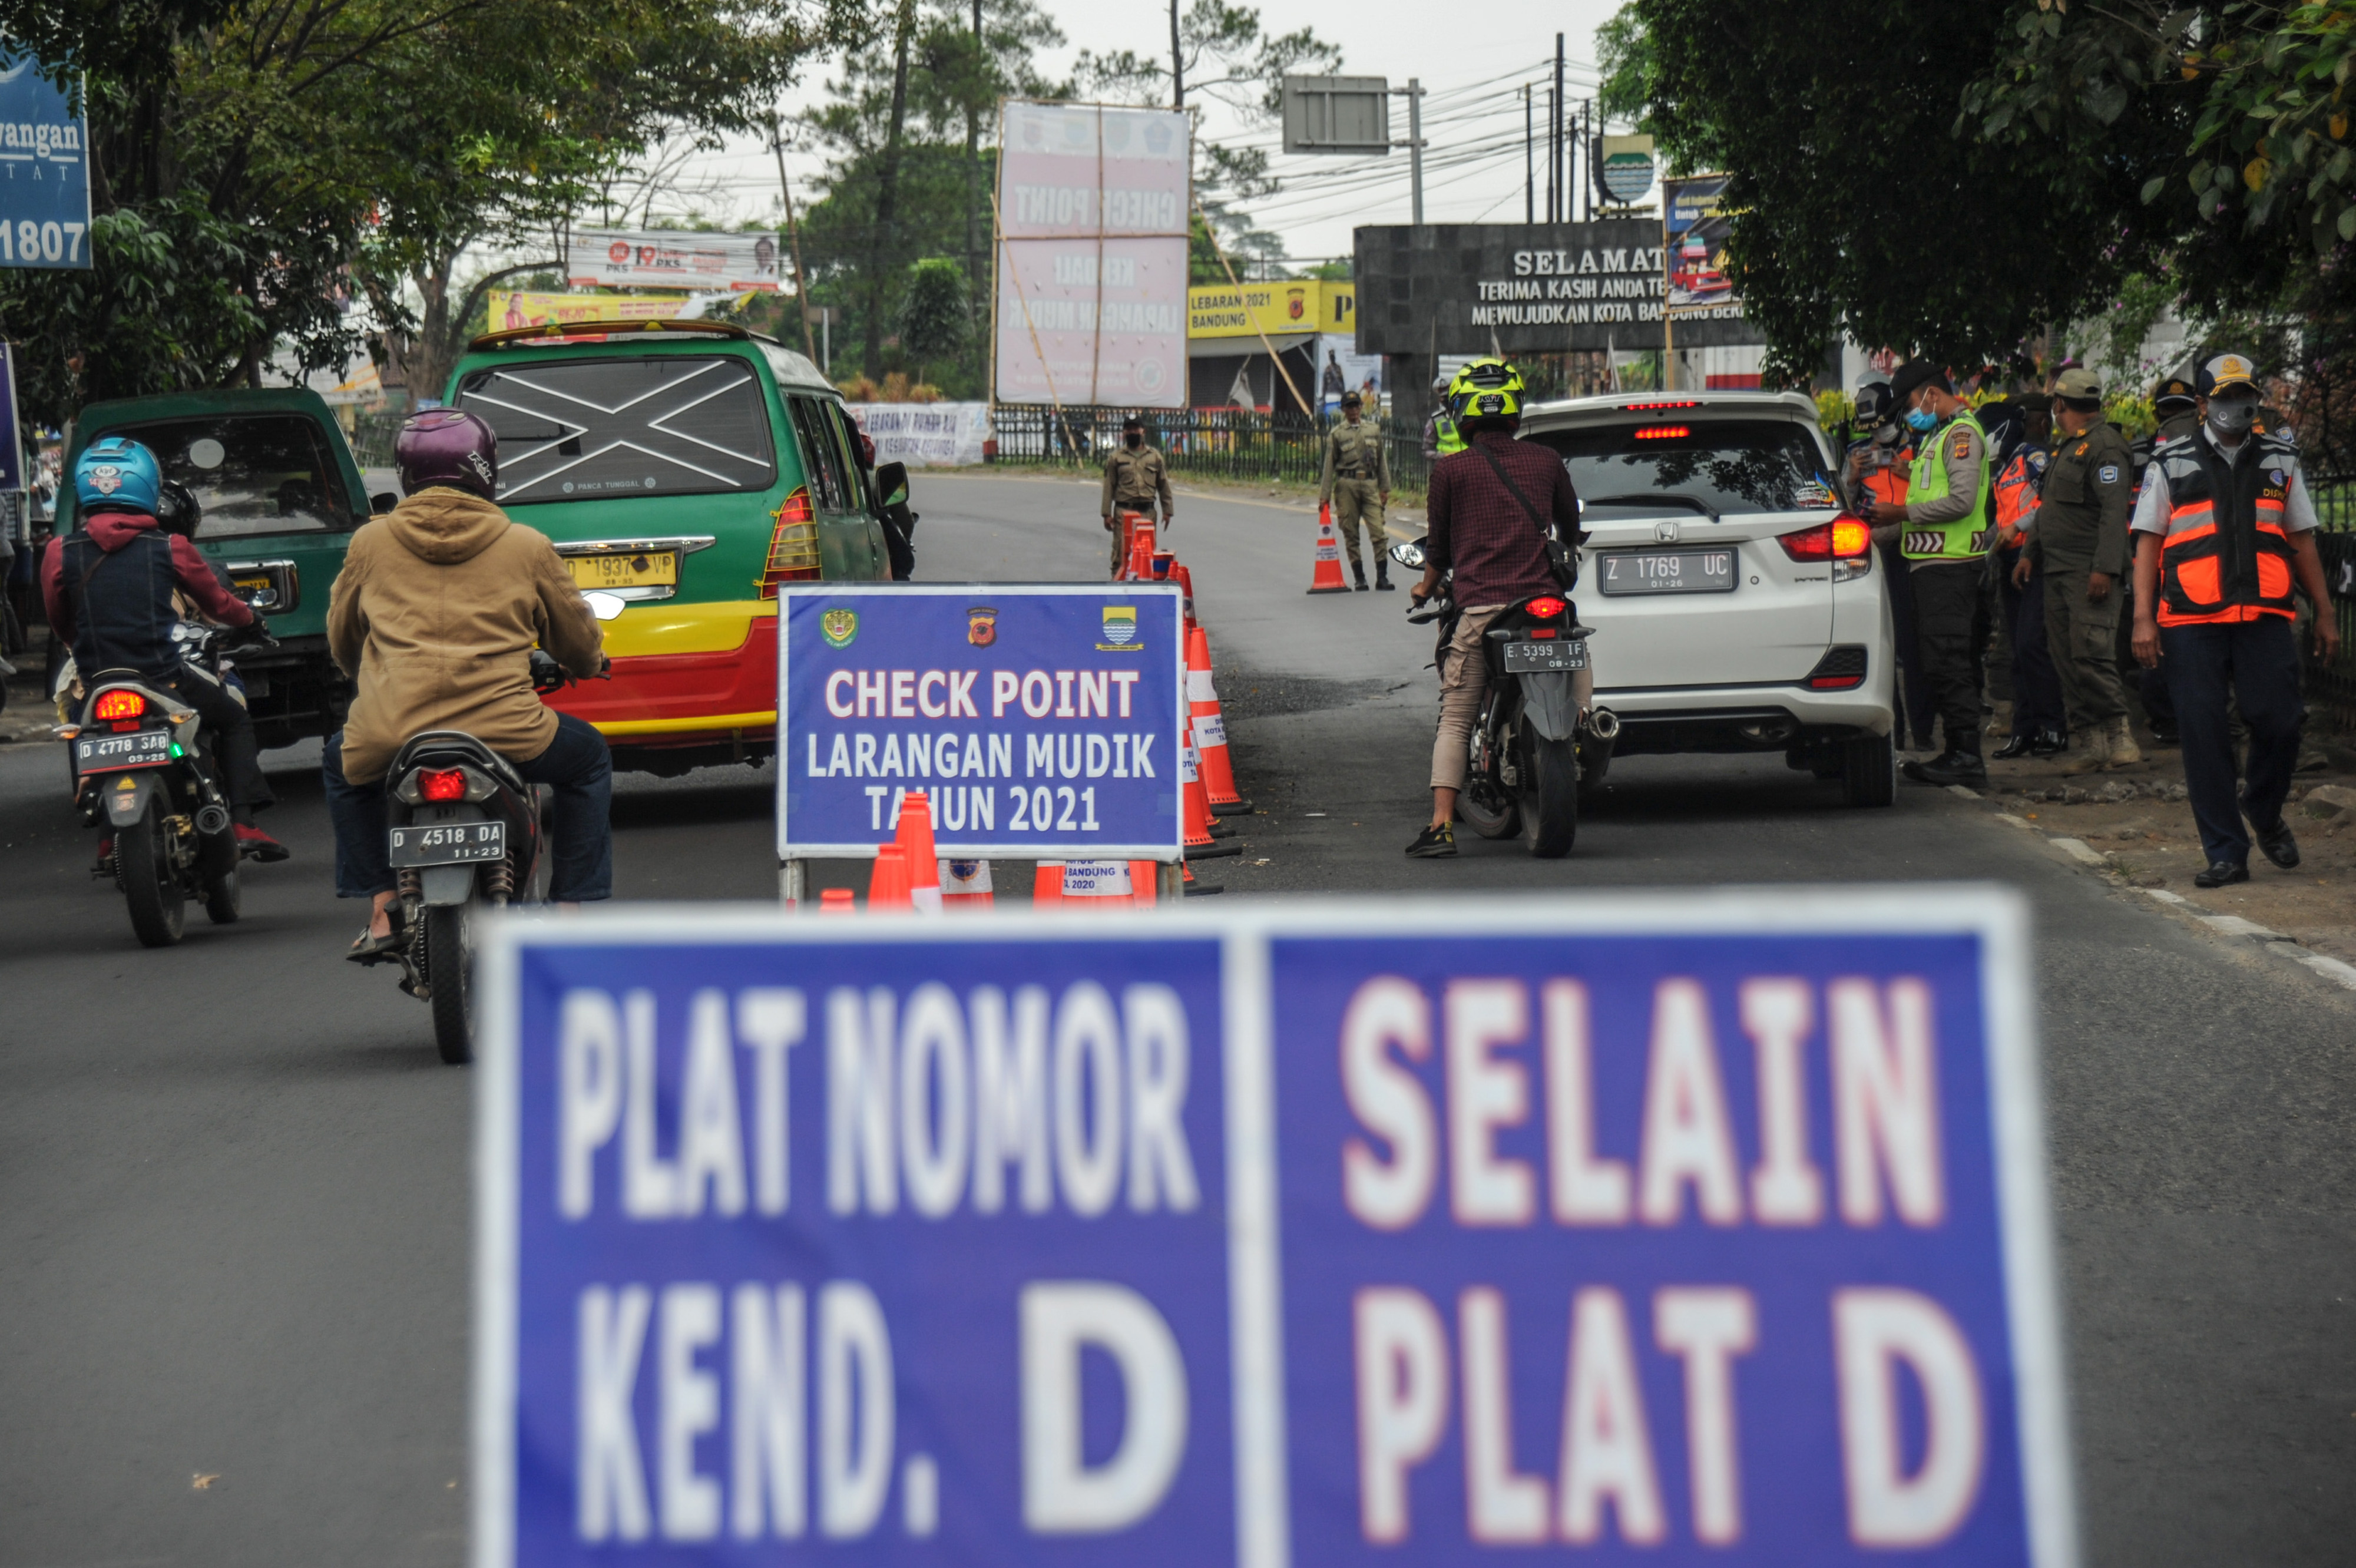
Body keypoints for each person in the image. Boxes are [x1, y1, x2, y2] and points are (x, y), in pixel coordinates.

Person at [322, 409, 612, 957]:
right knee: (590, 759)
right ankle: (568, 910)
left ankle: (383, 907)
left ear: (407, 473)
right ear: (485, 469)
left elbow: (342, 634)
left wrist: (358, 675)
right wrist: (589, 663)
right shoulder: (525, 545)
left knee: (340, 767)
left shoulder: (370, 543)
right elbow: (574, 637)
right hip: (508, 733)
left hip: (391, 733)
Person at [2130, 352, 2340, 888]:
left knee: (2281, 720)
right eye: (2224, 397)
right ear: (2202, 404)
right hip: (2189, 619)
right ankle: (2226, 851)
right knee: (2203, 734)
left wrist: (2326, 612)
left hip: (2265, 614)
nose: (2236, 405)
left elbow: (2302, 541)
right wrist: (2143, 619)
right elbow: (2148, 545)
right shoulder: (2170, 462)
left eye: (2244, 394)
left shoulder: (2280, 459)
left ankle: (2263, 811)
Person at [41, 435, 289, 862]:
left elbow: (59, 617)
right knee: (233, 718)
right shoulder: (171, 547)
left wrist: (77, 650)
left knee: (93, 736)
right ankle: (244, 821)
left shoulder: (59, 552)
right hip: (164, 677)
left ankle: (106, 841)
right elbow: (219, 605)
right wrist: (252, 620)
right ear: (146, 486)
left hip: (97, 681)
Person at [1405, 358, 1584, 859]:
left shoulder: (1450, 471)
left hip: (1482, 610)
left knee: (1457, 719)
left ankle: (1440, 826)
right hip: (1543, 603)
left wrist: (1423, 588)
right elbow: (1570, 528)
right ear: (1514, 409)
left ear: (1461, 411)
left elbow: (1438, 552)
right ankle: (1590, 722)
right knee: (1578, 649)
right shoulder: (1547, 460)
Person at [1862, 361, 1993, 786]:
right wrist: (1874, 534)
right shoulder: (1936, 438)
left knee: (1951, 662)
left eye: (1912, 403)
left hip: (1952, 569)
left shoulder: (1960, 435)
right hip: (1932, 568)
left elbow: (1960, 502)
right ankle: (1957, 752)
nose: (1909, 414)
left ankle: (1967, 757)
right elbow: (1922, 515)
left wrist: (1901, 511)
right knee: (1938, 662)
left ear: (1932, 395)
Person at [2010, 366, 2138, 773]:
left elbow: (2114, 513)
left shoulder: (2106, 448)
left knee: (2093, 654)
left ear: (2061, 404)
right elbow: (2049, 508)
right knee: (2066, 658)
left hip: (2087, 571)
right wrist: (2030, 552)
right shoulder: (2069, 447)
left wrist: (2103, 569)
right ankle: (2091, 742)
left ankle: (2119, 735)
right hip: (2057, 571)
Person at [1844, 378, 1934, 749]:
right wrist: (1850, 477)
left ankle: (1925, 733)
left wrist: (1907, 473)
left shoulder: (1923, 447)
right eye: (1870, 429)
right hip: (1872, 555)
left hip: (1913, 551)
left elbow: (1939, 495)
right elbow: (1840, 507)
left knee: (1915, 646)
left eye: (1882, 425)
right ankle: (1891, 735)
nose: (1877, 436)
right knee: (1881, 645)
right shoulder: (1856, 452)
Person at [1987, 393, 2066, 757]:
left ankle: (2053, 726)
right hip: (2008, 560)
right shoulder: (2001, 467)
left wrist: (2018, 528)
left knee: (2034, 644)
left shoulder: (2032, 457)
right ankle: (2025, 730)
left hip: (2033, 557)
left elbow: (2051, 501)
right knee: (2019, 649)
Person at [1320, 390, 1394, 590]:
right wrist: (1324, 496)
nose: (1353, 410)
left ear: (1361, 407)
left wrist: (1385, 488)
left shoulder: (1373, 430)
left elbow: (1382, 462)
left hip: (1370, 484)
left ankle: (1382, 577)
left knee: (1378, 532)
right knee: (1351, 533)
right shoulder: (1337, 434)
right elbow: (1329, 466)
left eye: (1356, 406)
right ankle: (1360, 577)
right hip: (1347, 486)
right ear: (1343, 410)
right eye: (1349, 407)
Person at [1099, 413, 1173, 577]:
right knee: (1120, 554)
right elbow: (1109, 486)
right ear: (1124, 433)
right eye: (1129, 429)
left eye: (1136, 429)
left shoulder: (1154, 457)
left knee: (1147, 554)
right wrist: (1106, 514)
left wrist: (1168, 511)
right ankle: (1117, 590)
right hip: (1123, 513)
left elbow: (1163, 484)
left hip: (1148, 512)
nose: (1133, 432)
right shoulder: (1116, 458)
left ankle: (1146, 590)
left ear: (1143, 431)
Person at [1421, 373, 1465, 461]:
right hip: (1447, 466)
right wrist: (1444, 456)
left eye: (1448, 396)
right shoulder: (1436, 420)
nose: (1445, 400)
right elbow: (1426, 451)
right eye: (1443, 397)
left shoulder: (1468, 416)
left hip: (1469, 464)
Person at [1321, 350, 1346, 415]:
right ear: (1329, 358)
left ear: (1335, 357)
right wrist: (1323, 399)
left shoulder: (1338, 368)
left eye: (1333, 357)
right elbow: (1324, 385)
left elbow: (1342, 383)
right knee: (1329, 414)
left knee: (1338, 415)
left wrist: (1344, 396)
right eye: (1331, 357)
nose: (1332, 358)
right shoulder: (1327, 370)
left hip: (1338, 395)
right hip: (1329, 395)